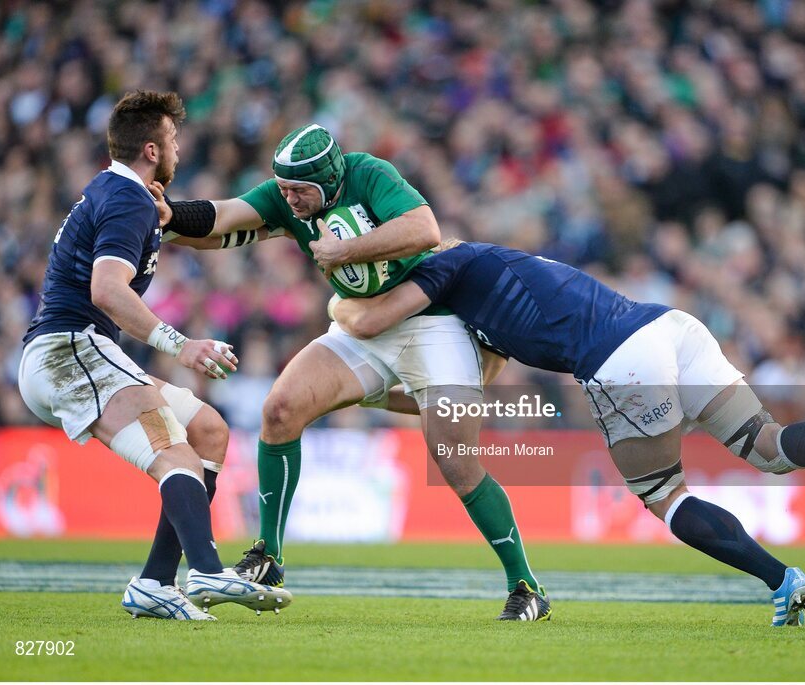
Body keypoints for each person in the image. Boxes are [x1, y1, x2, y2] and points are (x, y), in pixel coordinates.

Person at [330, 240, 805, 627]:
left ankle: (783, 580)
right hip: (667, 326)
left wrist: (337, 306)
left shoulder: (447, 269)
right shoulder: (490, 280)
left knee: (665, 495)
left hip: (618, 361)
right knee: (768, 444)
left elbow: (370, 318)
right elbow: (473, 388)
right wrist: (397, 398)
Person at [160, 125, 550, 620]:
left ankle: (526, 585)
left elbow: (424, 229)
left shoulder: (368, 173)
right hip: (362, 326)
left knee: (455, 460)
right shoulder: (288, 195)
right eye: (282, 189)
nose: (289, 199)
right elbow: (226, 216)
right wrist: (171, 215)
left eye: (299, 190)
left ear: (327, 178)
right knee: (280, 410)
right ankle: (269, 555)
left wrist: (344, 250)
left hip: (429, 319)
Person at [18, 90, 292, 621]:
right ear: (150, 149)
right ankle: (209, 569)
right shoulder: (128, 199)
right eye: (172, 139)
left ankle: (155, 582)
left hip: (76, 352)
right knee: (176, 452)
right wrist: (181, 344)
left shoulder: (122, 193)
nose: (179, 149)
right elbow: (107, 289)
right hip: (70, 349)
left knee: (208, 430)